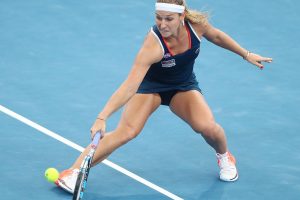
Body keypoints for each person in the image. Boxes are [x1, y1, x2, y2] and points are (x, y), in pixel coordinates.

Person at [56, 0, 272, 193]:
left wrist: (245, 54)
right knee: (127, 132)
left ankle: (224, 157)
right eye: (159, 18)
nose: (163, 24)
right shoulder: (153, 45)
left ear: (182, 16)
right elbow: (130, 85)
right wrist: (102, 117)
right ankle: (73, 172)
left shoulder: (196, 27)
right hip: (151, 87)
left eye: (169, 19)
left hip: (183, 86)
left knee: (208, 127)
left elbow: (216, 36)